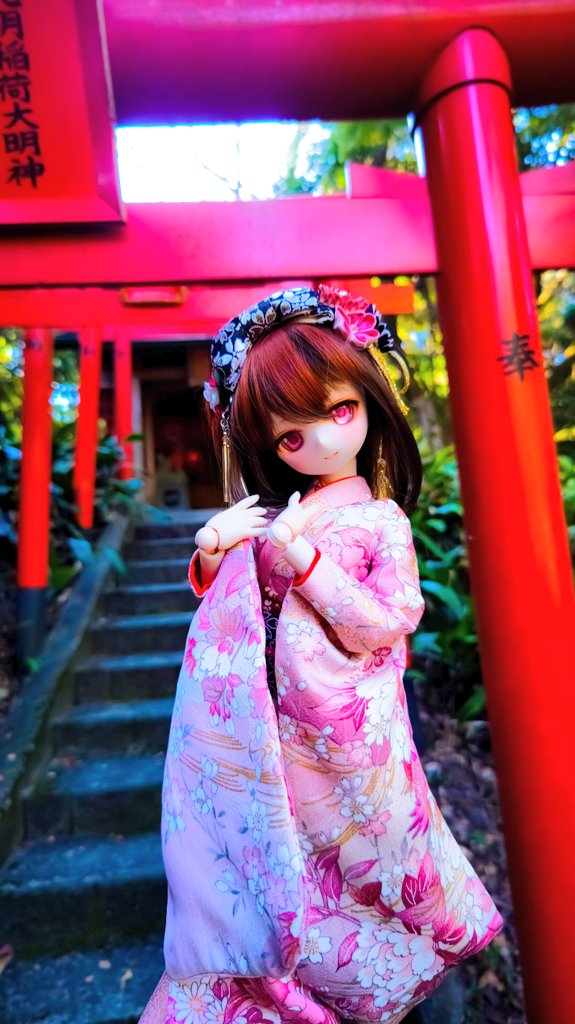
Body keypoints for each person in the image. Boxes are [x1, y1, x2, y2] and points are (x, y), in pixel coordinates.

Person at [140, 285, 502, 1024]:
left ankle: (359, 981)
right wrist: (213, 547)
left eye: (339, 411)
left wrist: (304, 562)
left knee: (361, 857)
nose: (323, 441)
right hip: (271, 719)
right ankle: (277, 980)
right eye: (290, 437)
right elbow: (234, 596)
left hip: (343, 723)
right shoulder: (284, 513)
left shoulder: (380, 519)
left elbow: (389, 619)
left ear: (367, 401)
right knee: (283, 861)